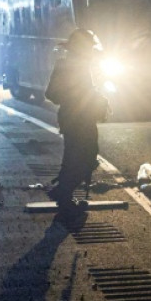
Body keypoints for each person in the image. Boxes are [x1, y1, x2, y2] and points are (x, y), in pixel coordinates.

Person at [44, 29, 109, 211]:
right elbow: (53, 94)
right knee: (84, 157)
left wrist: (95, 98)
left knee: (78, 156)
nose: (91, 51)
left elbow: (54, 94)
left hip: (78, 118)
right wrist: (86, 97)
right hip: (76, 119)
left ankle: (63, 190)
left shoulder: (80, 65)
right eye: (88, 47)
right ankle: (64, 193)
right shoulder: (71, 66)